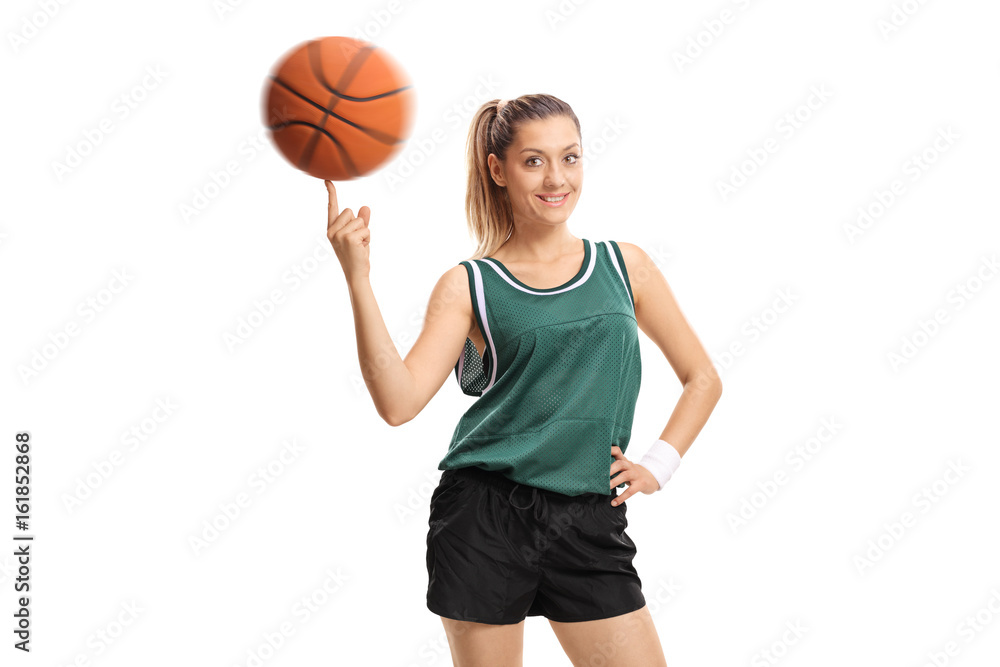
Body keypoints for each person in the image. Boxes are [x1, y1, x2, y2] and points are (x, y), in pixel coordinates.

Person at [326, 93, 722, 667]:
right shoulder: (470, 285)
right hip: (484, 516)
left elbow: (702, 377)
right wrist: (358, 278)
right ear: (497, 169)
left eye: (571, 157)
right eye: (533, 160)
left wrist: (658, 466)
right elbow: (398, 401)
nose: (556, 177)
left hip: (589, 514)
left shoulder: (623, 265)